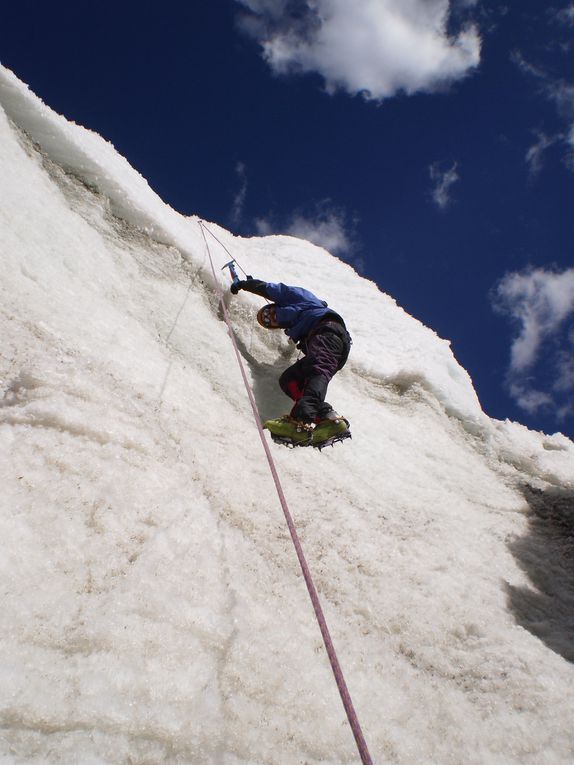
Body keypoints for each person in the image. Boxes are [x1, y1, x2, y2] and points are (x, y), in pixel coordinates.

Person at [230, 277, 352, 446]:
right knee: (289, 380)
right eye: (269, 322)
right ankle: (328, 418)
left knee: (317, 369)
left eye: (269, 313)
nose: (271, 318)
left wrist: (245, 284)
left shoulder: (304, 301)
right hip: (329, 341)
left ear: (275, 306)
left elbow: (273, 289)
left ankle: (299, 422)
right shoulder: (300, 330)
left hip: (328, 330)